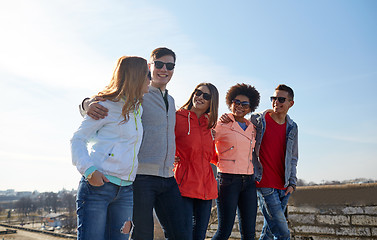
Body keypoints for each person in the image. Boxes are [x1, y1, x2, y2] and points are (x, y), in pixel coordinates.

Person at [80, 47, 188, 240]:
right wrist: (87, 104)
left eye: (170, 65)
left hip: (167, 176)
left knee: (181, 232)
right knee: (142, 234)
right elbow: (106, 100)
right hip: (141, 177)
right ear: (150, 66)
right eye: (159, 64)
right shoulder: (139, 95)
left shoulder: (171, 101)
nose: (164, 69)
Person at [71, 56, 150, 240]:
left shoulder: (138, 109)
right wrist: (90, 171)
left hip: (126, 190)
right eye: (147, 75)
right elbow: (77, 139)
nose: (150, 79)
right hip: (98, 188)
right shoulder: (105, 106)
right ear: (135, 76)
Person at [211, 83, 260, 240]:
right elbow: (206, 146)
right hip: (228, 180)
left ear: (250, 107)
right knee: (224, 230)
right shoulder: (221, 124)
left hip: (249, 182)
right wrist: (219, 162)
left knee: (249, 233)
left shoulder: (252, 128)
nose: (240, 106)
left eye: (245, 104)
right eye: (236, 102)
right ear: (230, 103)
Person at [252, 84, 298, 240]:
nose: (276, 102)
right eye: (274, 98)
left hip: (284, 186)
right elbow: (238, 126)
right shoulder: (258, 120)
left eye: (281, 99)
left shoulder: (292, 127)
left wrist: (292, 183)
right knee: (283, 234)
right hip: (264, 184)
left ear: (290, 103)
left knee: (269, 233)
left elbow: (293, 157)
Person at [174, 83, 219, 240]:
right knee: (184, 235)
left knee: (199, 236)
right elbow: (164, 141)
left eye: (206, 96)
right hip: (183, 185)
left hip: (206, 188)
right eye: (198, 93)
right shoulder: (177, 117)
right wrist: (171, 156)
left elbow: (214, 156)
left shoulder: (211, 124)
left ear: (211, 102)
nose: (200, 97)